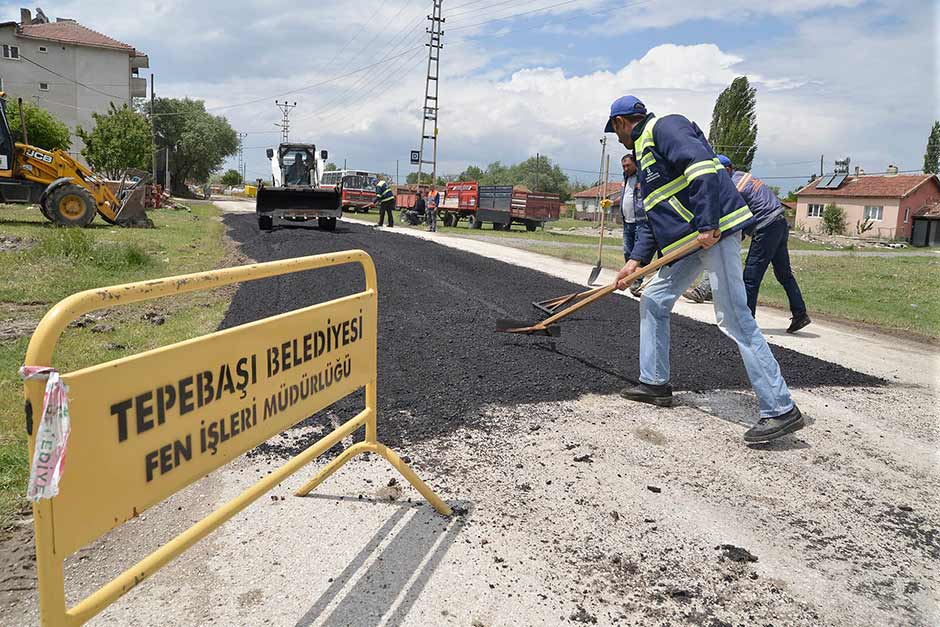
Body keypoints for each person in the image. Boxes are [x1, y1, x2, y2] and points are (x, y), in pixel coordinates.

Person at [605, 95, 803, 443]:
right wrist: (633, 263)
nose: (618, 139)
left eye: (615, 131)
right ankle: (655, 384)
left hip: (716, 231)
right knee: (653, 297)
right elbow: (654, 218)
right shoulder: (644, 158)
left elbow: (701, 167)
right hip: (689, 241)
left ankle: (780, 408)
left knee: (734, 316)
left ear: (622, 122)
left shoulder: (665, 127)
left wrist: (708, 223)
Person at [683, 156, 811, 334]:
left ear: (727, 169)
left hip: (765, 227)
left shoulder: (734, 186)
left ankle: (746, 322)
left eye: (717, 173)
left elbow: (733, 221)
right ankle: (800, 313)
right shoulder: (744, 177)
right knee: (784, 274)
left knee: (751, 277)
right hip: (780, 224)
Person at [620, 154, 645, 295]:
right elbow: (626, 195)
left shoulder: (642, 177)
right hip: (627, 221)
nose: (625, 168)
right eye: (623, 166)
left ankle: (637, 281)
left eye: (628, 165)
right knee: (627, 251)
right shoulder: (625, 178)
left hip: (639, 222)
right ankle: (629, 278)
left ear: (635, 164)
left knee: (638, 253)